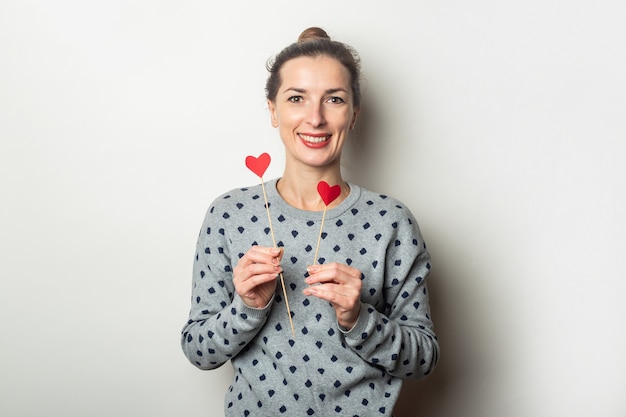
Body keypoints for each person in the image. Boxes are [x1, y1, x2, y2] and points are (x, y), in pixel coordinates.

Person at [181, 27, 439, 416]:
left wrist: (359, 318)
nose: (315, 118)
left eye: (333, 99)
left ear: (354, 114)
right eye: (297, 98)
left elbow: (423, 360)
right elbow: (199, 352)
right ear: (273, 110)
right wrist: (247, 307)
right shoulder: (229, 215)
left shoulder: (391, 222)